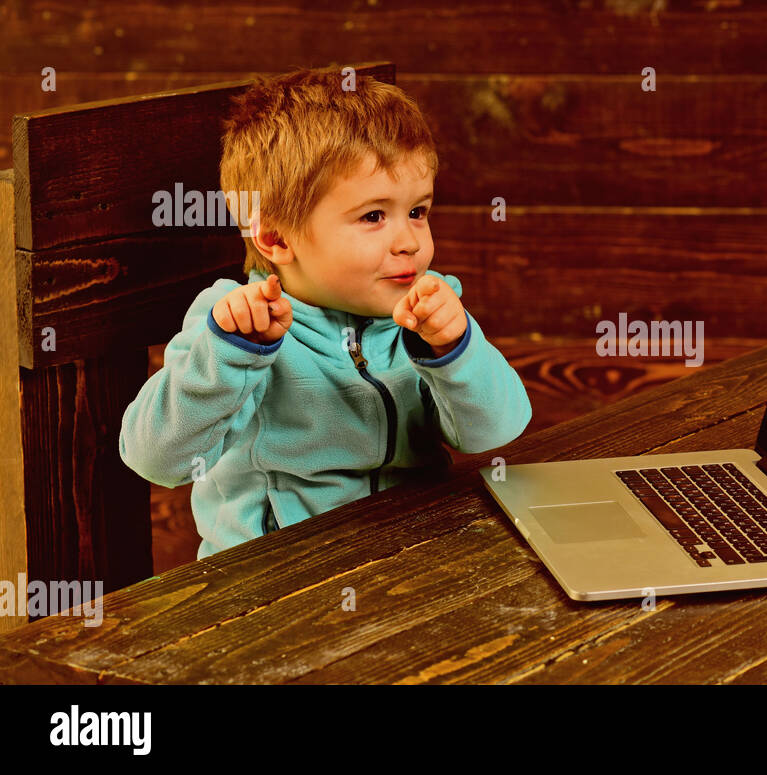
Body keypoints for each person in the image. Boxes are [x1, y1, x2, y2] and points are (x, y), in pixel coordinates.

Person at [120, 68, 532, 559]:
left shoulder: (427, 308)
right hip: (279, 582)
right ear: (276, 238)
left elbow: (497, 430)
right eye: (374, 216)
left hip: (416, 553)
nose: (409, 242)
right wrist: (230, 356)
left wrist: (453, 348)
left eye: (418, 211)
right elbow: (155, 459)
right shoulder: (232, 324)